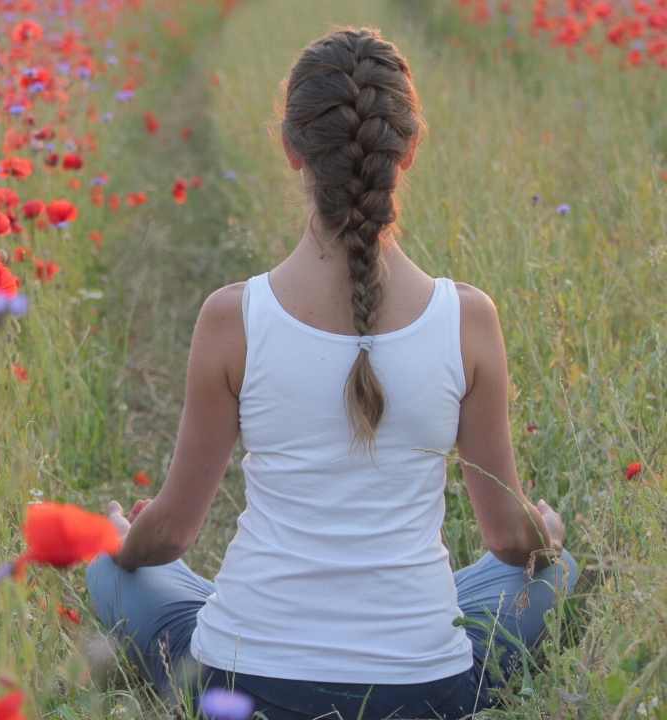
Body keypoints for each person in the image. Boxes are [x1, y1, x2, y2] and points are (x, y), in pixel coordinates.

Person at [85, 27, 579, 720]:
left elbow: (169, 534)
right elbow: (507, 537)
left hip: (242, 682)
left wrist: (122, 538)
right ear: (408, 149)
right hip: (425, 691)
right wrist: (546, 533)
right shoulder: (468, 319)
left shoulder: (233, 317)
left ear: (291, 148)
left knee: (114, 570)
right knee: (552, 574)